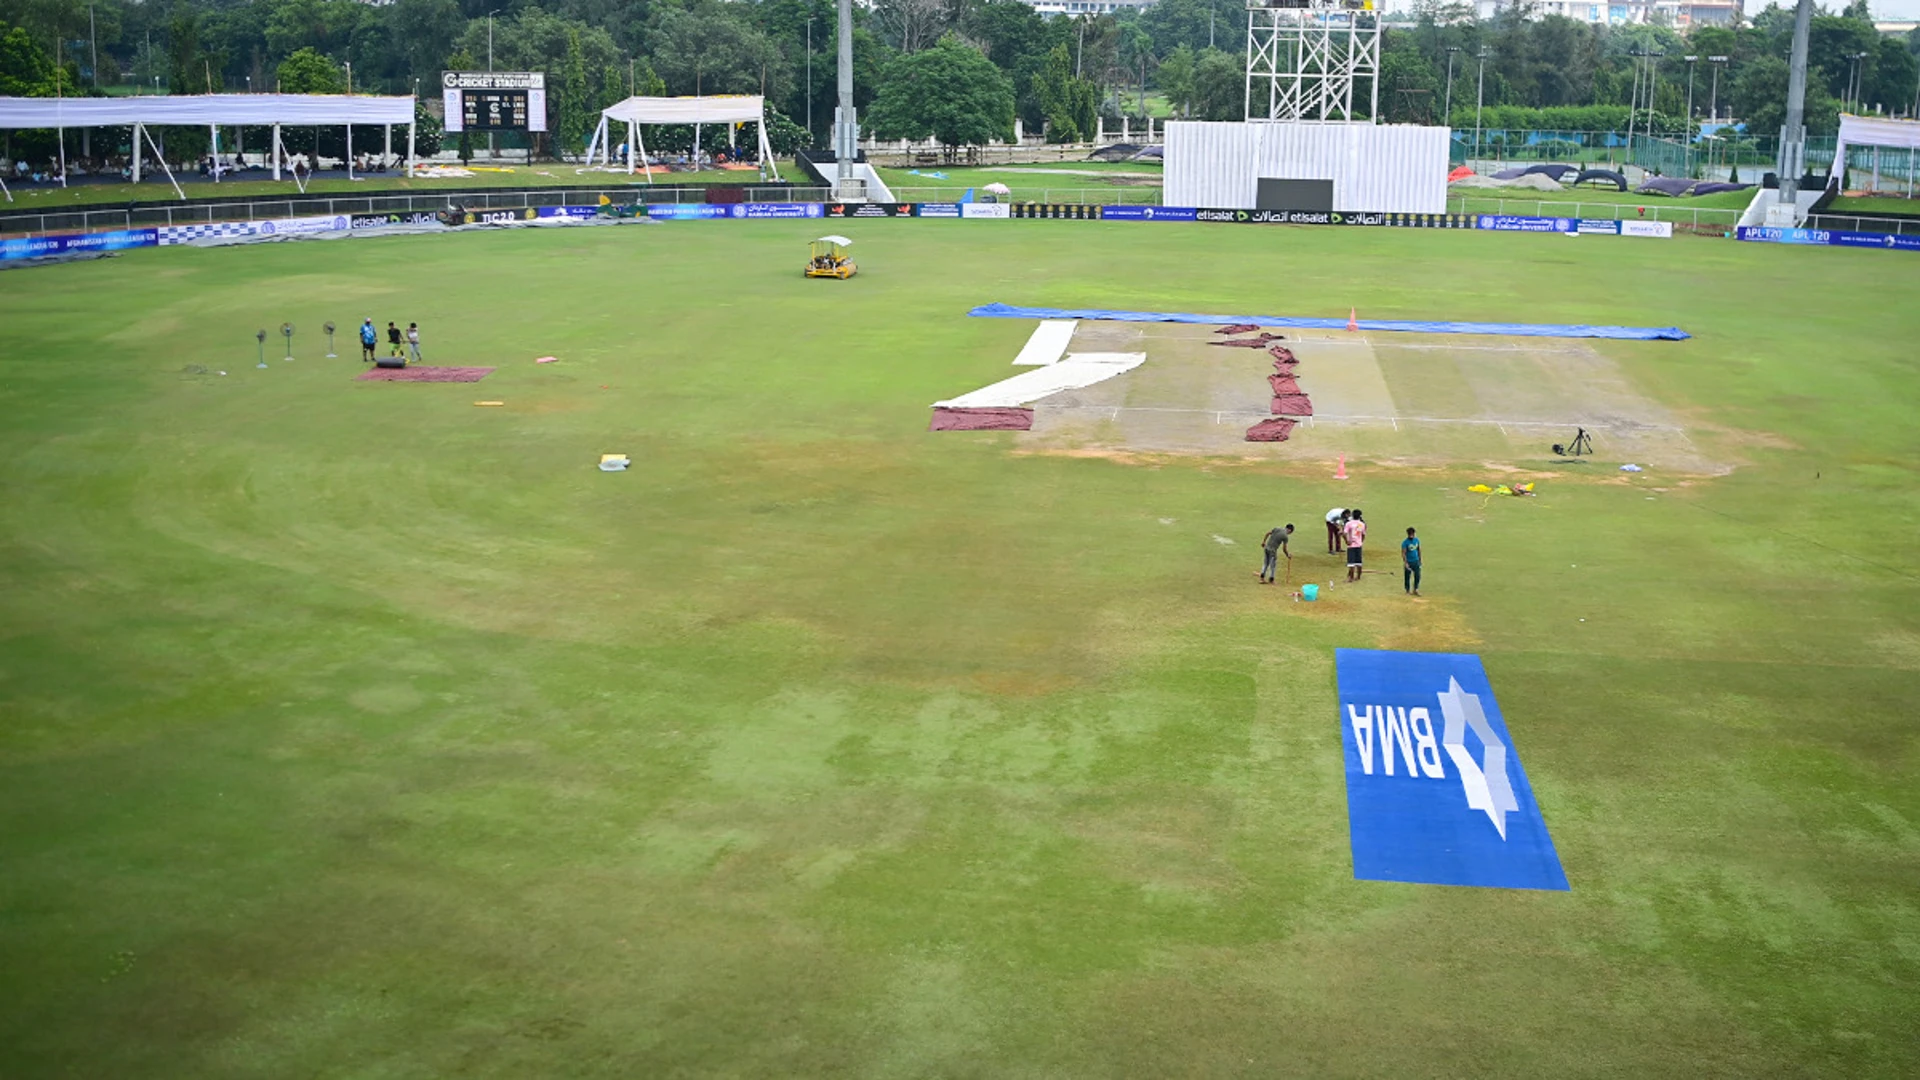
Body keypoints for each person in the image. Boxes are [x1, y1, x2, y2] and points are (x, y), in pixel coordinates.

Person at [1343, 509, 1367, 583]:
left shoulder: (1349, 524)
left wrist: (1347, 541)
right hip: (1358, 545)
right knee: (1358, 562)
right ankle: (1358, 576)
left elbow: (1344, 533)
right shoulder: (1361, 524)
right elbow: (1363, 535)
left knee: (1351, 563)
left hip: (1351, 545)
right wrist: (1360, 542)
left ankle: (1351, 578)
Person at [1401, 527, 1422, 596]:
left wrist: (1420, 559)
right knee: (1407, 577)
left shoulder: (1417, 540)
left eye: (1412, 534)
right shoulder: (1405, 543)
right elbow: (1403, 553)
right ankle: (1407, 590)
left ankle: (1415, 589)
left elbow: (1419, 550)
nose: (1411, 535)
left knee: (1417, 576)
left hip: (1416, 561)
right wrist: (1406, 563)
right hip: (1409, 562)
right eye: (1410, 534)